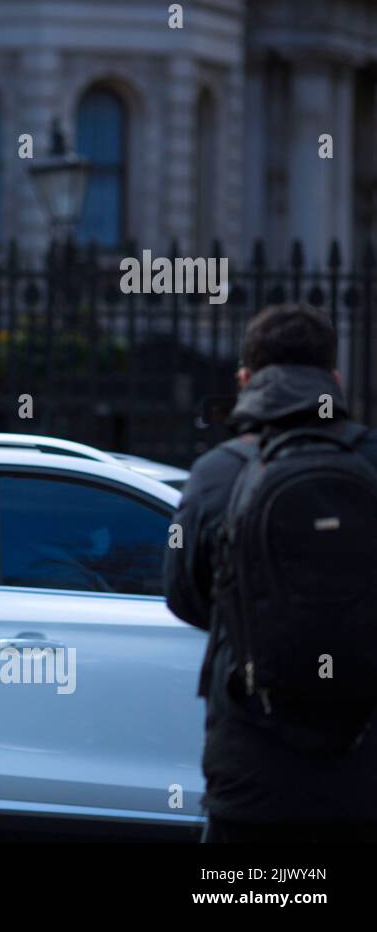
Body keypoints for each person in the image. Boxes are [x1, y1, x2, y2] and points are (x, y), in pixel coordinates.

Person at [164, 303, 377, 842]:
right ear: (334, 379)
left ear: (244, 380)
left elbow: (184, 596)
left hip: (251, 767)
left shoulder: (215, 474)